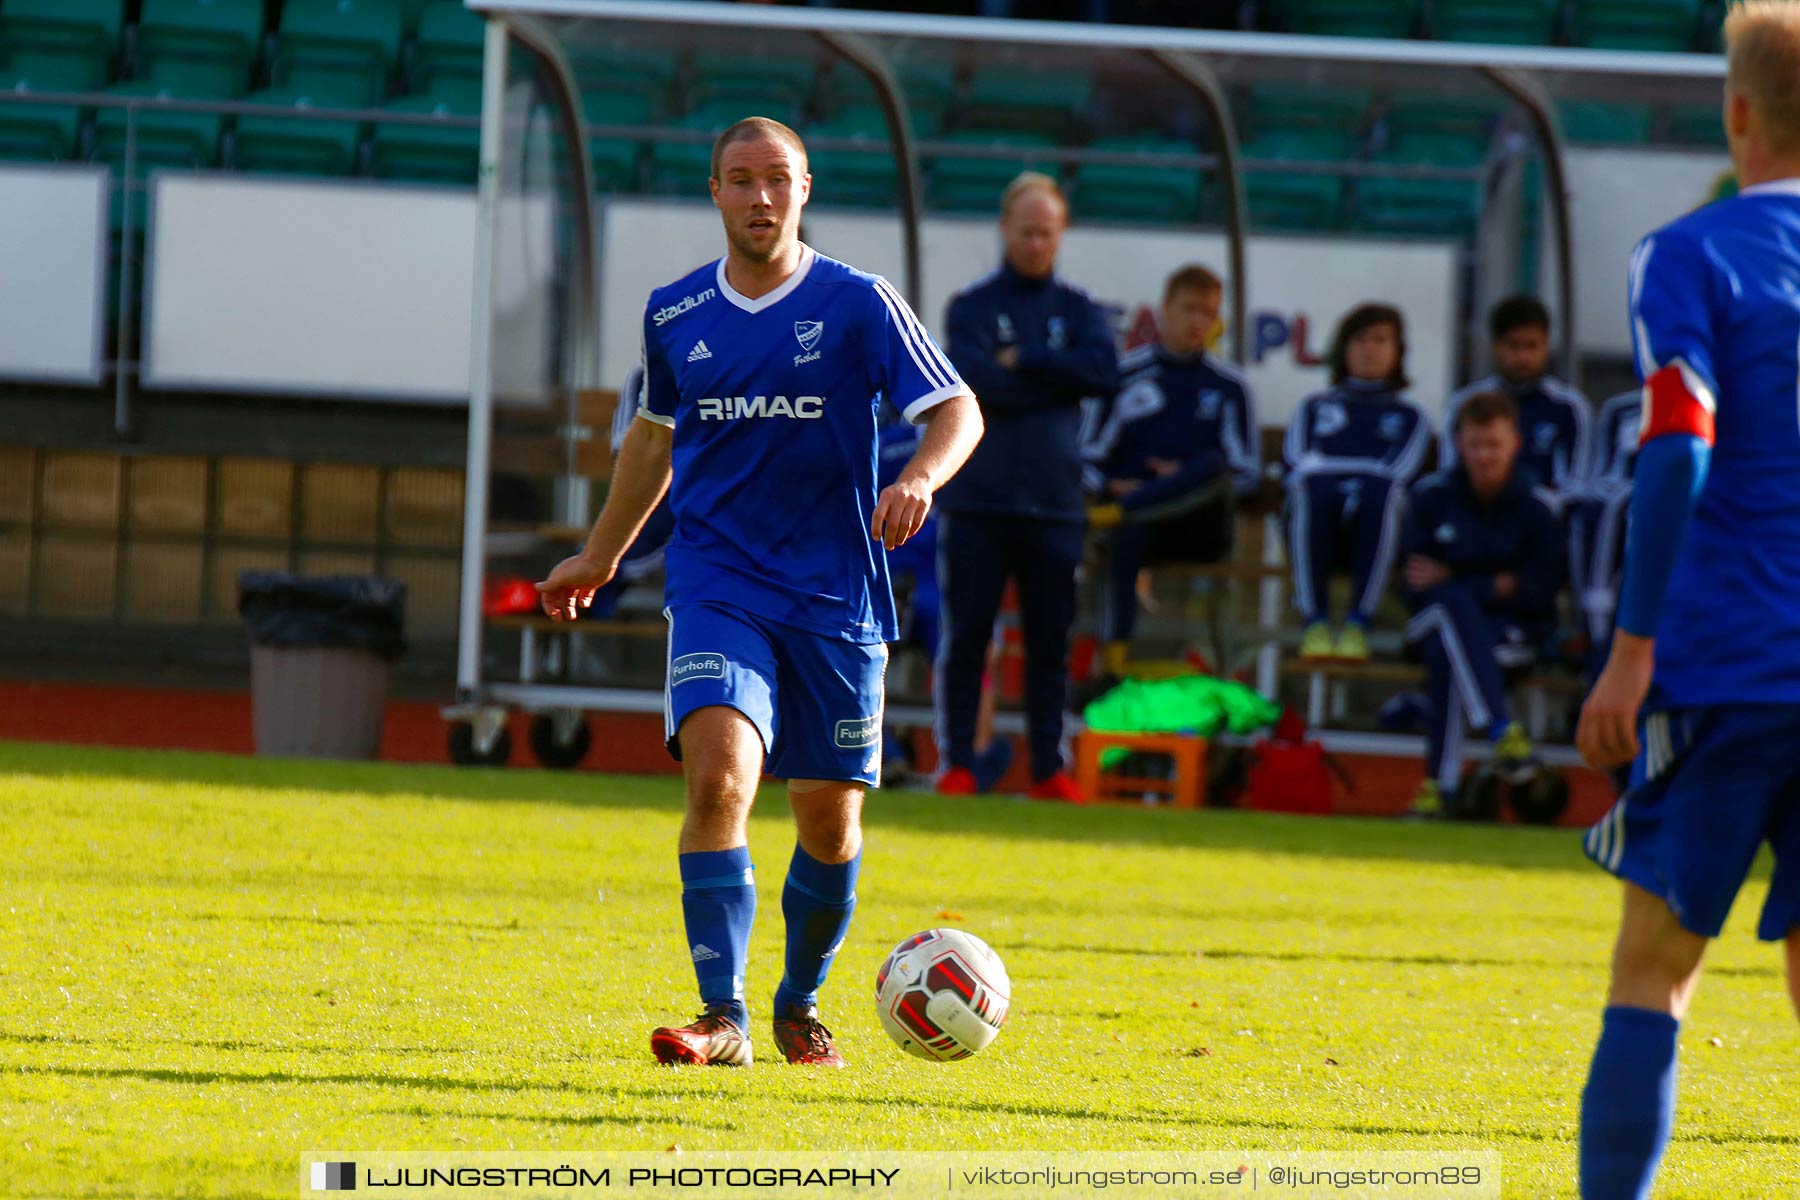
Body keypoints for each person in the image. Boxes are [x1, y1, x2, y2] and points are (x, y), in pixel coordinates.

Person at [536, 116, 982, 1068]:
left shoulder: (859, 303)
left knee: (828, 818)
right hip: (716, 583)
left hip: (834, 599)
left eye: (776, 179)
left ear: (806, 187)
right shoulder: (673, 314)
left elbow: (956, 407)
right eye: (740, 180)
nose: (760, 197)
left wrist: (920, 478)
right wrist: (601, 555)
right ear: (715, 193)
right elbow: (650, 444)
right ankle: (722, 1015)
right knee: (719, 779)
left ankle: (796, 1001)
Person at [1574, 6, 1800, 1194]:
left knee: (1655, 969)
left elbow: (1677, 447)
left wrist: (1630, 650)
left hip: (1720, 667)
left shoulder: (1690, 252)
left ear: (1738, 114)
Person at [935, 171, 1119, 803]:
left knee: (1051, 644)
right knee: (968, 638)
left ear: (1060, 234)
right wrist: (1050, 378)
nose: (1037, 243)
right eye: (1026, 231)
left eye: (1047, 232)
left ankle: (1048, 768)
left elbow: (1102, 373)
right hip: (979, 499)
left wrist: (1029, 360)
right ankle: (958, 761)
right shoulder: (973, 306)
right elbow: (975, 380)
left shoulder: (1079, 308)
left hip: (1055, 506)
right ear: (1005, 230)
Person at [1083, 263, 1259, 677]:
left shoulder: (1230, 386)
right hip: (1139, 524)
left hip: (1199, 523)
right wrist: (1110, 484)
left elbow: (1246, 474)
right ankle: (1114, 662)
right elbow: (1086, 458)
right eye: (1189, 309)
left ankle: (1122, 511)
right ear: (1164, 309)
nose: (1198, 321)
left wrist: (1179, 479)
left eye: (1208, 312)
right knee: (1127, 534)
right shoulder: (1123, 376)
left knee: (1212, 467)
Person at [1399, 391, 1561, 818]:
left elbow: (1537, 591)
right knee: (1448, 613)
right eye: (1475, 445)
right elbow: (1416, 586)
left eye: (1494, 445)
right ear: (1459, 445)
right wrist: (1495, 583)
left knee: (1449, 650)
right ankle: (1500, 730)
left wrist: (1457, 578)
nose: (1485, 456)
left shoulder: (1538, 508)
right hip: (1430, 621)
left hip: (1512, 637)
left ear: (1515, 445)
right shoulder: (1432, 498)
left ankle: (1442, 788)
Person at [1282, 303, 1432, 662]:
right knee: (1308, 492)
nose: (1370, 349)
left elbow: (1398, 472)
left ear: (1397, 352)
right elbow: (1299, 465)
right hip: (1321, 522)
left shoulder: (1410, 417)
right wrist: (1350, 481)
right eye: (1360, 339)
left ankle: (1357, 624)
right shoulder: (1313, 408)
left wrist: (1344, 480)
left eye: (1381, 340)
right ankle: (1314, 622)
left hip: (1374, 528)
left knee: (1383, 495)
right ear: (1343, 348)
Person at [1443, 296, 1594, 607]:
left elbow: (1578, 482)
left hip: (1541, 519)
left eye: (1532, 346)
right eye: (1513, 346)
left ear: (1546, 346)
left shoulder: (1569, 407)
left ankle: (1580, 623)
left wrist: (1532, 503)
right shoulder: (1466, 404)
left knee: (1582, 519)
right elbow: (1451, 473)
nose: (1523, 357)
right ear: (1495, 346)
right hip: (1480, 513)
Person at [1576, 389, 1641, 656]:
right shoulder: (1619, 409)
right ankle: (1596, 631)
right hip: (1624, 514)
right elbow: (1600, 476)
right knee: (1603, 510)